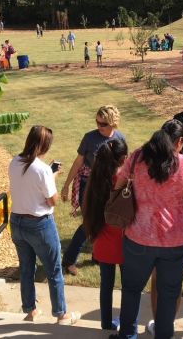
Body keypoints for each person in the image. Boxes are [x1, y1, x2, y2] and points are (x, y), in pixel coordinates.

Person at [110, 120, 183, 339]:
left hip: (138, 237)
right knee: (169, 294)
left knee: (132, 289)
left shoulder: (136, 158)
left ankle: (127, 335)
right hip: (177, 240)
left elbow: (117, 187)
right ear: (180, 141)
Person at [8, 125, 81, 325]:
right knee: (54, 270)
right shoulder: (42, 170)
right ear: (45, 145)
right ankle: (61, 314)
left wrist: (51, 175)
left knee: (26, 268)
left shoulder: (14, 162)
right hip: (39, 225)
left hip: (17, 222)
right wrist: (52, 176)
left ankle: (30, 310)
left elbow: (28, 184)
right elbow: (52, 200)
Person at [61, 106, 125, 276]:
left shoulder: (120, 138)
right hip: (88, 185)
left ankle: (97, 255)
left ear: (112, 123)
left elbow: (123, 163)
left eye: (102, 123)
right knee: (89, 223)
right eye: (96, 122)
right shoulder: (89, 138)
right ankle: (68, 260)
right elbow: (78, 162)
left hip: (109, 187)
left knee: (104, 221)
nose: (98, 126)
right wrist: (67, 185)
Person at [83, 138, 128, 330]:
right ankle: (126, 322)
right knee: (129, 287)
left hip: (102, 239)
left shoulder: (96, 178)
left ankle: (106, 323)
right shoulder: (123, 179)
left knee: (106, 285)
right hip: (124, 241)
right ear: (123, 158)